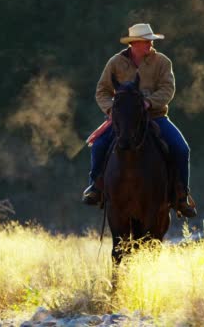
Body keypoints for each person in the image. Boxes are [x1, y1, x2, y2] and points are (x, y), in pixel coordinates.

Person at [83, 23, 197, 218]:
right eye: (146, 41)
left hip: (155, 116)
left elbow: (168, 89)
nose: (150, 44)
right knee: (99, 145)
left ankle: (181, 195)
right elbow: (102, 91)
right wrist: (111, 109)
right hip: (123, 119)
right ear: (134, 43)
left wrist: (149, 103)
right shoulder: (115, 63)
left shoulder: (162, 62)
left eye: (150, 41)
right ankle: (96, 186)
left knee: (181, 148)